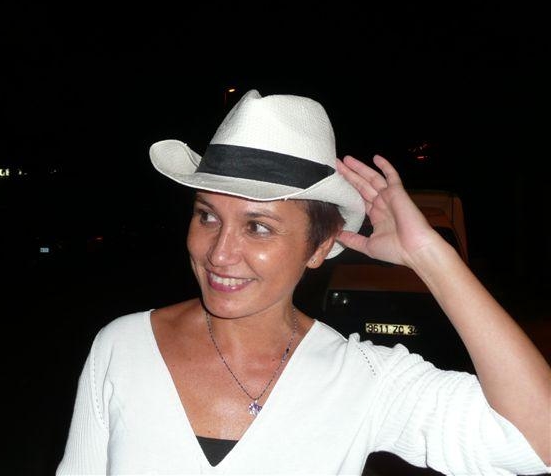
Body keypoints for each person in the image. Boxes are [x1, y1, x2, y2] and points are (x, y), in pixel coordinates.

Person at [56, 89, 550, 475]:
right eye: (207, 216)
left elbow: (538, 443)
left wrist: (431, 257)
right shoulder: (122, 346)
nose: (219, 253)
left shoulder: (361, 379)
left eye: (258, 227)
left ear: (319, 247)